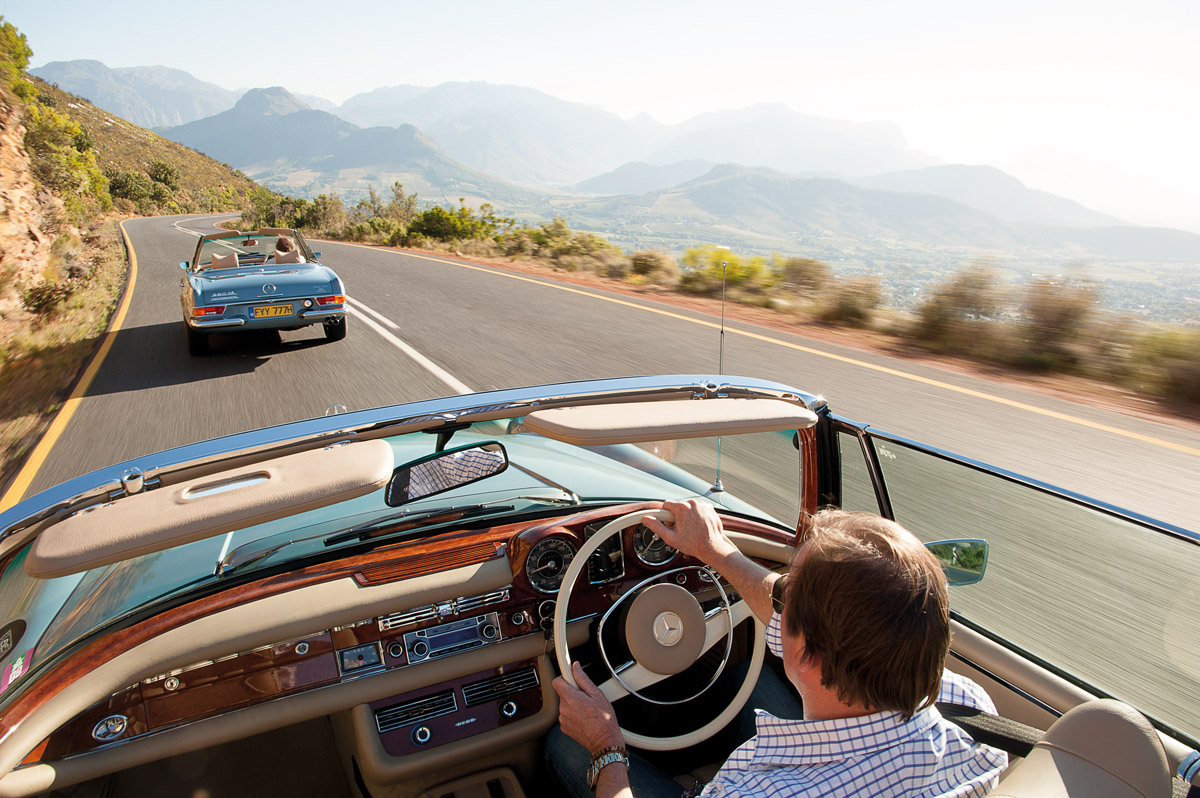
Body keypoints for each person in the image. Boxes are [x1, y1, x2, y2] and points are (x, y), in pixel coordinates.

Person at [549, 500, 1007, 797]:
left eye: (787, 593)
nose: (776, 594)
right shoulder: (970, 711)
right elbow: (822, 620)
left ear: (807, 653)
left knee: (565, 746)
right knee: (744, 677)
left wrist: (606, 748)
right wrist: (718, 551)